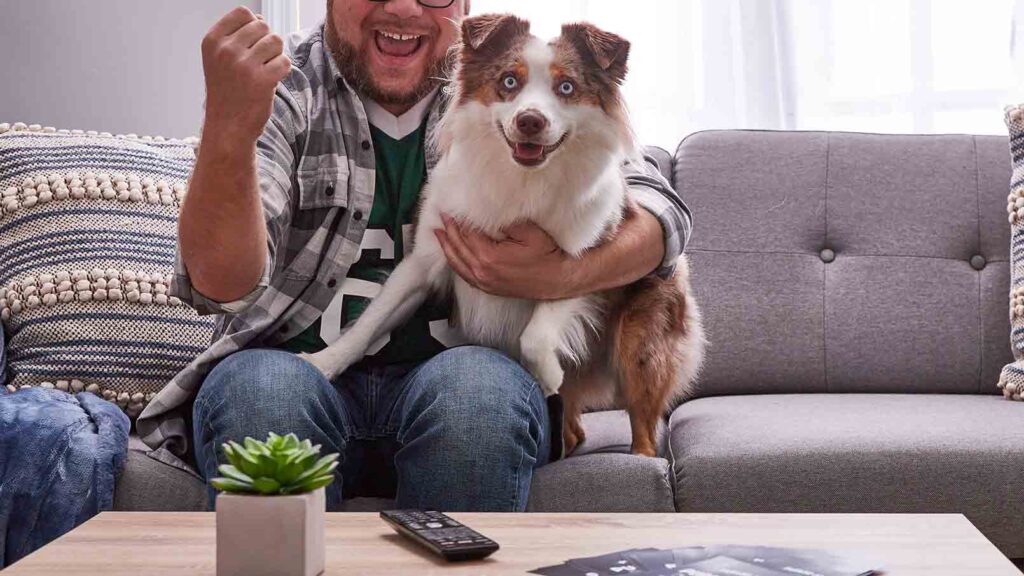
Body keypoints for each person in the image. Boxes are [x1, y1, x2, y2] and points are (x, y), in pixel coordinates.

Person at [136, 0, 692, 512]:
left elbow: (660, 214)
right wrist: (228, 130)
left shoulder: (505, 73)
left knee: (478, 396)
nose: (402, 6)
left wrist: (562, 274)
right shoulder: (282, 85)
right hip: (292, 367)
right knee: (261, 395)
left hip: (464, 372)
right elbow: (217, 283)